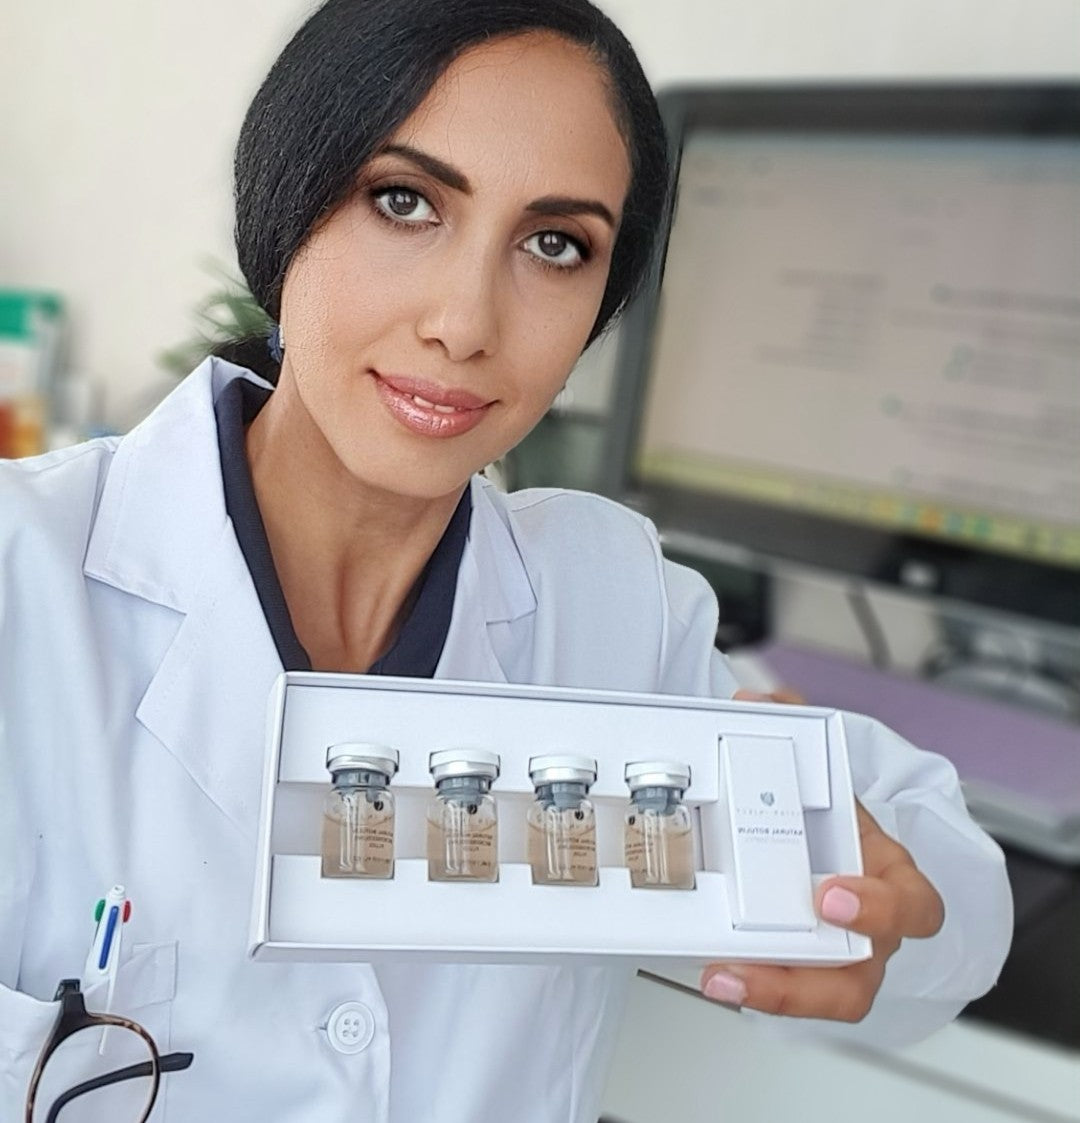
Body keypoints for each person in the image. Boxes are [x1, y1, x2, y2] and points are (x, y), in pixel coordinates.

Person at [0, 1, 1011, 1119]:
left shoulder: (610, 602)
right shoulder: (22, 580)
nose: (465, 322)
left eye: (554, 244)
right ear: (286, 208)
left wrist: (883, 921)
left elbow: (941, 861)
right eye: (405, 201)